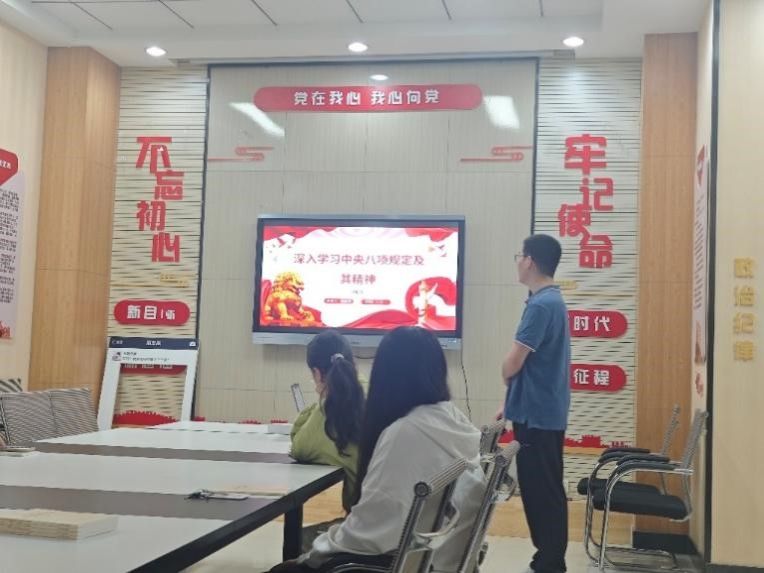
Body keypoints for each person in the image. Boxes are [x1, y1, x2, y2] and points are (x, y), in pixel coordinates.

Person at [270, 326, 484, 573]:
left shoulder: (405, 433)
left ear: (385, 376)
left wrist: (316, 551)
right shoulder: (453, 420)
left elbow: (367, 531)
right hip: (438, 559)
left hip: (395, 560)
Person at [501, 234, 571, 573]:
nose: (518, 262)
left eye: (520, 255)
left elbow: (514, 362)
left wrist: (504, 373)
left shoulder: (542, 305)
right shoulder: (549, 301)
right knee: (543, 488)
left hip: (538, 416)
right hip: (539, 410)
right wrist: (510, 402)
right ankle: (548, 558)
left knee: (541, 491)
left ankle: (550, 561)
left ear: (530, 260)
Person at [291, 329, 365, 513]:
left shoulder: (330, 409)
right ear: (353, 364)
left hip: (364, 523)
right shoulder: (373, 391)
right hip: (399, 517)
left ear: (317, 374)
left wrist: (321, 400)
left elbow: (300, 448)